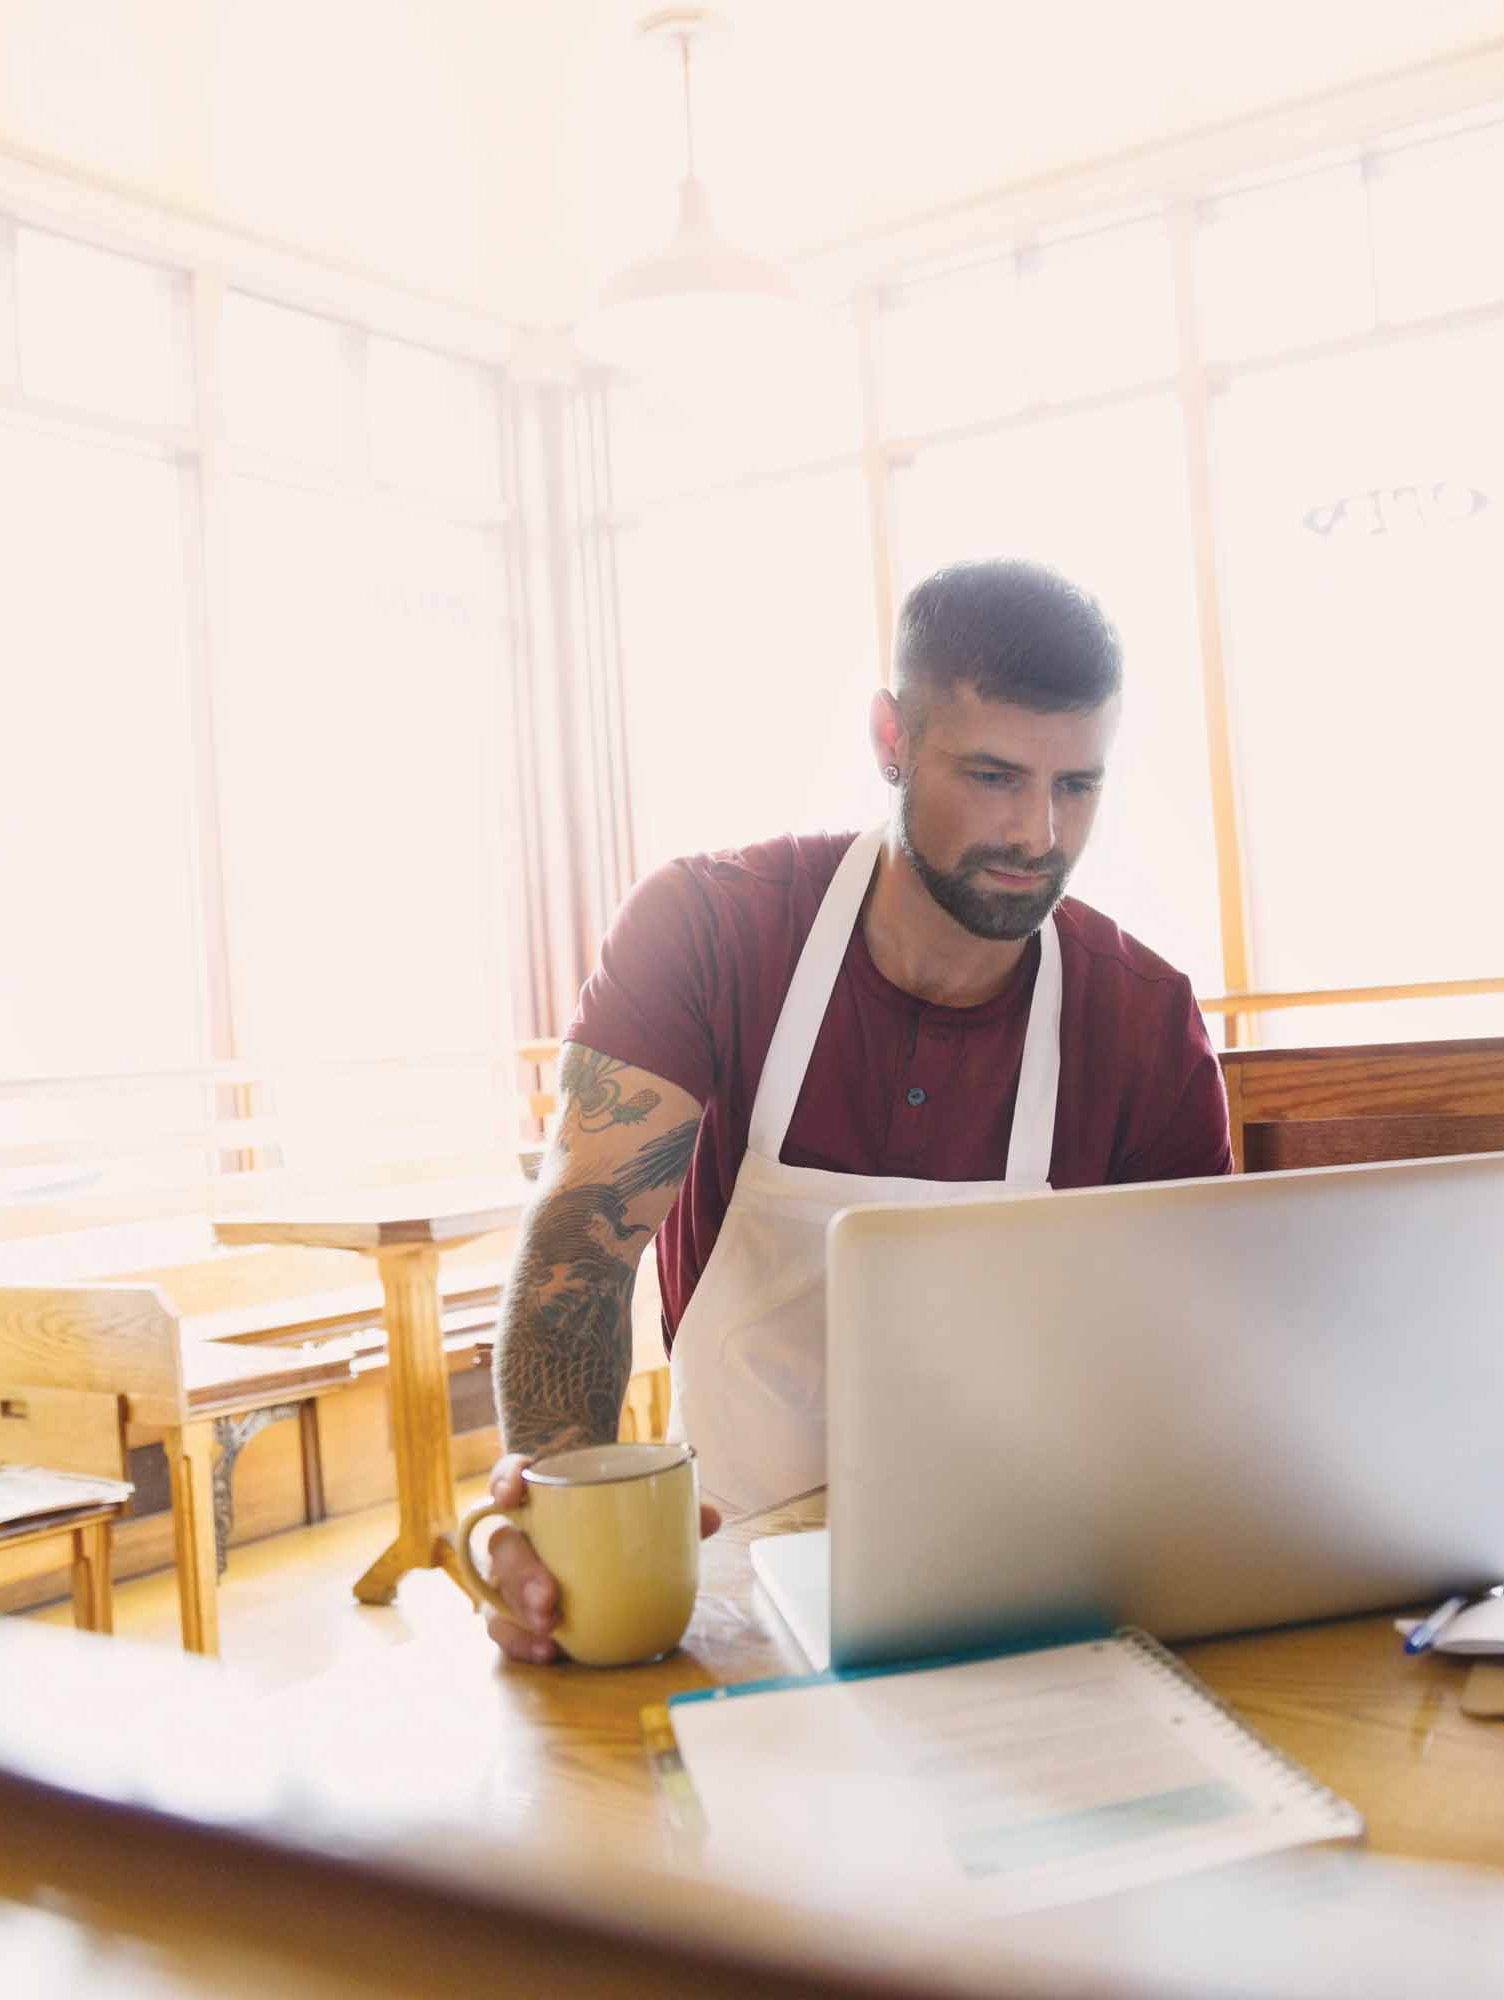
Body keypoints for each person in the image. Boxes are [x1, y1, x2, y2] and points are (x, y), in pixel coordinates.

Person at [482, 558, 1232, 1663]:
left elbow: (1186, 1352)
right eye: (993, 776)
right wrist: (562, 1512)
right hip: (728, 1578)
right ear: (891, 739)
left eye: (1076, 786)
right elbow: (577, 1250)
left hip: (1032, 1587)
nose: (1038, 833)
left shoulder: (1143, 1020)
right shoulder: (709, 929)